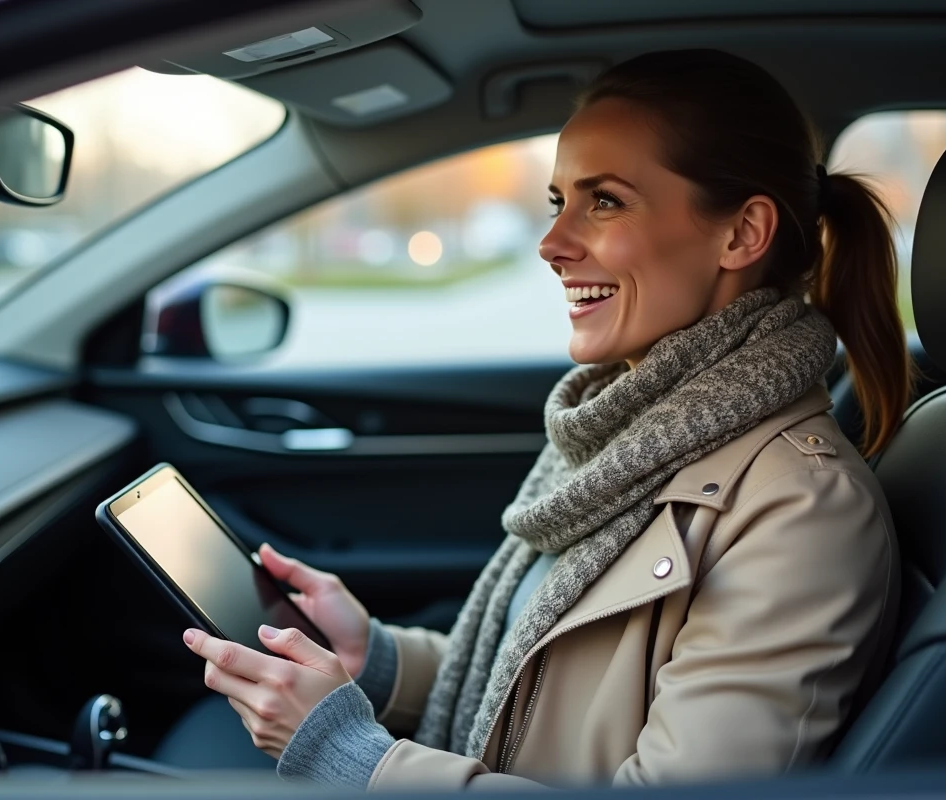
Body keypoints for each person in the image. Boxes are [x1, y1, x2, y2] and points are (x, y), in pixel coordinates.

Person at [173, 48, 906, 790]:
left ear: (742, 234)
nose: (553, 245)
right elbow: (540, 694)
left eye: (606, 201)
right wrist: (379, 661)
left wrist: (350, 757)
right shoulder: (627, 429)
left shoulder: (803, 512)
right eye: (559, 203)